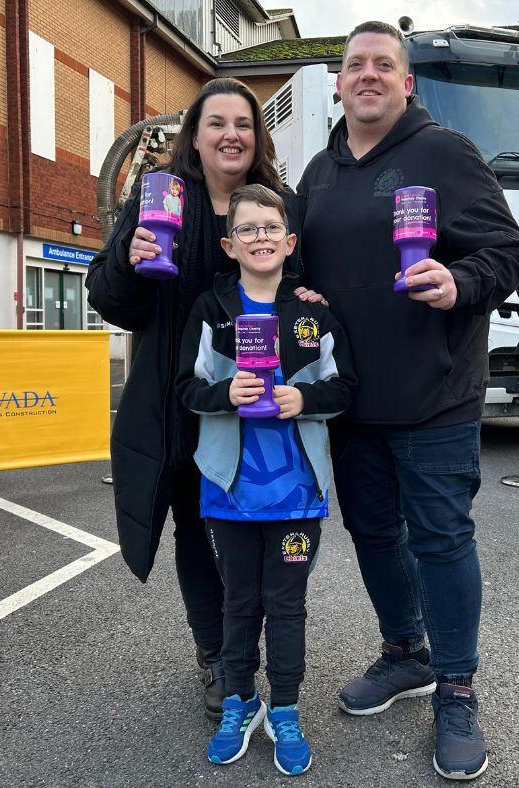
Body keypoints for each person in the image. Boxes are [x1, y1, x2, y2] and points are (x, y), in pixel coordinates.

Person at [296, 21, 519, 781]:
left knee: (440, 540)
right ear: (338, 82)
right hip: (353, 400)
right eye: (354, 64)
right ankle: (406, 653)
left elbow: (508, 251)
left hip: (435, 395)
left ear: (406, 83)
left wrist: (459, 282)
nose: (367, 75)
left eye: (383, 65)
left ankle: (456, 688)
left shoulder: (444, 153)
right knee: (371, 535)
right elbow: (293, 260)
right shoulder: (319, 173)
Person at [85, 78, 306, 721]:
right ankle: (218, 656)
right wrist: (129, 258)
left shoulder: (276, 206)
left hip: (258, 411)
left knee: (260, 531)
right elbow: (109, 296)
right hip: (177, 404)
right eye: (217, 123)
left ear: (258, 137)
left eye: (244, 122)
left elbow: (302, 293)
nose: (231, 134)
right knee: (194, 534)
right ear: (196, 136)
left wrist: (310, 307)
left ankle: (266, 652)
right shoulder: (160, 201)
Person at [176, 184, 355, 776]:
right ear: (229, 244)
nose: (260, 238)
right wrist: (224, 393)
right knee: (238, 604)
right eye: (247, 229)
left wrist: (302, 397)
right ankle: (238, 701)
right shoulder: (212, 310)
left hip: (298, 495)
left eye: (270, 228)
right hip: (229, 493)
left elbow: (344, 387)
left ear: (290, 241)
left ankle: (285, 708)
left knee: (287, 606)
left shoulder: (313, 313)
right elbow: (187, 387)